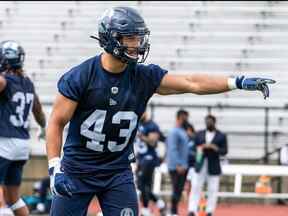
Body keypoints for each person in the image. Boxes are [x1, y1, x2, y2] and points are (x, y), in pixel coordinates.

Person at [46, 6, 275, 216]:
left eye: (139, 37)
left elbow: (191, 82)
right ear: (110, 38)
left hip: (116, 171)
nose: (138, 44)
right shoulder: (81, 76)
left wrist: (236, 81)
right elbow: (56, 122)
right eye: (131, 38)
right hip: (77, 170)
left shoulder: (143, 76)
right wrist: (55, 167)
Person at [0, 40, 46, 216]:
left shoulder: (4, 81)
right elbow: (39, 111)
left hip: (4, 141)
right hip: (21, 145)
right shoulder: (27, 83)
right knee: (13, 198)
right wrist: (43, 127)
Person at [188, 114, 228, 216]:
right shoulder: (199, 134)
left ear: (214, 122)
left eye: (210, 121)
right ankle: (192, 210)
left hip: (213, 165)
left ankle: (209, 211)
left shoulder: (221, 135)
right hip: (200, 163)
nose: (208, 123)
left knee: (212, 189)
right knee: (195, 187)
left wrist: (215, 148)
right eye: (207, 121)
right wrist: (200, 148)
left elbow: (225, 151)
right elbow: (193, 148)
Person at [135, 111, 166, 216]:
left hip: (150, 158)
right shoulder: (139, 124)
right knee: (143, 185)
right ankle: (160, 204)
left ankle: (146, 209)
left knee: (142, 184)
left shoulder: (152, 125)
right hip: (142, 158)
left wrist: (141, 137)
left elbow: (153, 141)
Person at [166, 109, 190, 215]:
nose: (187, 120)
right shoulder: (174, 131)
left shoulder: (182, 131)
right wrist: (178, 164)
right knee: (176, 190)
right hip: (177, 167)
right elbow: (172, 148)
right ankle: (173, 212)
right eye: (185, 118)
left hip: (183, 166)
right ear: (180, 118)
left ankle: (173, 211)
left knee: (179, 190)